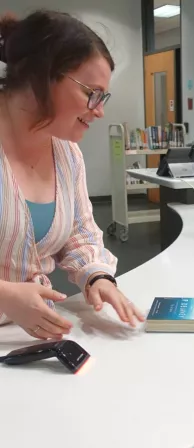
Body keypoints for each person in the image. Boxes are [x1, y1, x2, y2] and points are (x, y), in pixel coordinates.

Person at [0, 10, 144, 340]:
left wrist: (97, 277)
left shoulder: (66, 154)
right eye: (91, 93)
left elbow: (80, 232)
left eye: (102, 96)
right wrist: (5, 295)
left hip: (28, 336)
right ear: (43, 75)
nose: (99, 110)